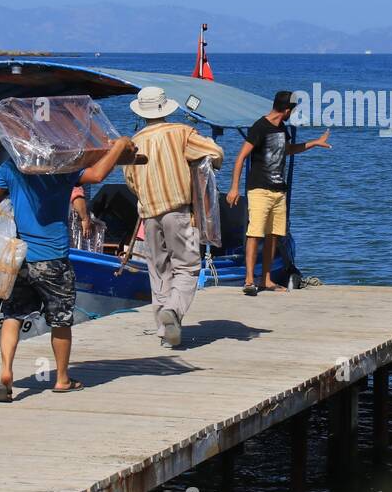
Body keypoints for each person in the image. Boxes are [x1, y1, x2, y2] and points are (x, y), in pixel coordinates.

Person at [0, 134, 134, 402]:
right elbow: (96, 175)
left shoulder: (11, 167)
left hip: (21, 256)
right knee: (60, 321)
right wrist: (119, 146)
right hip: (54, 258)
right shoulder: (63, 169)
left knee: (13, 315)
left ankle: (6, 372)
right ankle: (62, 379)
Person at [122, 86, 224, 347]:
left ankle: (164, 332)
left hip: (149, 214)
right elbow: (215, 152)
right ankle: (174, 311)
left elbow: (130, 181)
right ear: (165, 108)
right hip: (179, 212)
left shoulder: (135, 142)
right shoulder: (181, 133)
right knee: (188, 267)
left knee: (159, 271)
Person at [226, 90, 331, 296]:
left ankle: (266, 279)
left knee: (273, 236)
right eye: (292, 110)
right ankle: (249, 280)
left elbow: (288, 150)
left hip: (278, 191)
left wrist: (314, 143)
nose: (293, 113)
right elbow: (240, 158)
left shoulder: (282, 129)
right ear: (286, 109)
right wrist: (234, 188)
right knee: (254, 234)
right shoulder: (260, 127)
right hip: (259, 190)